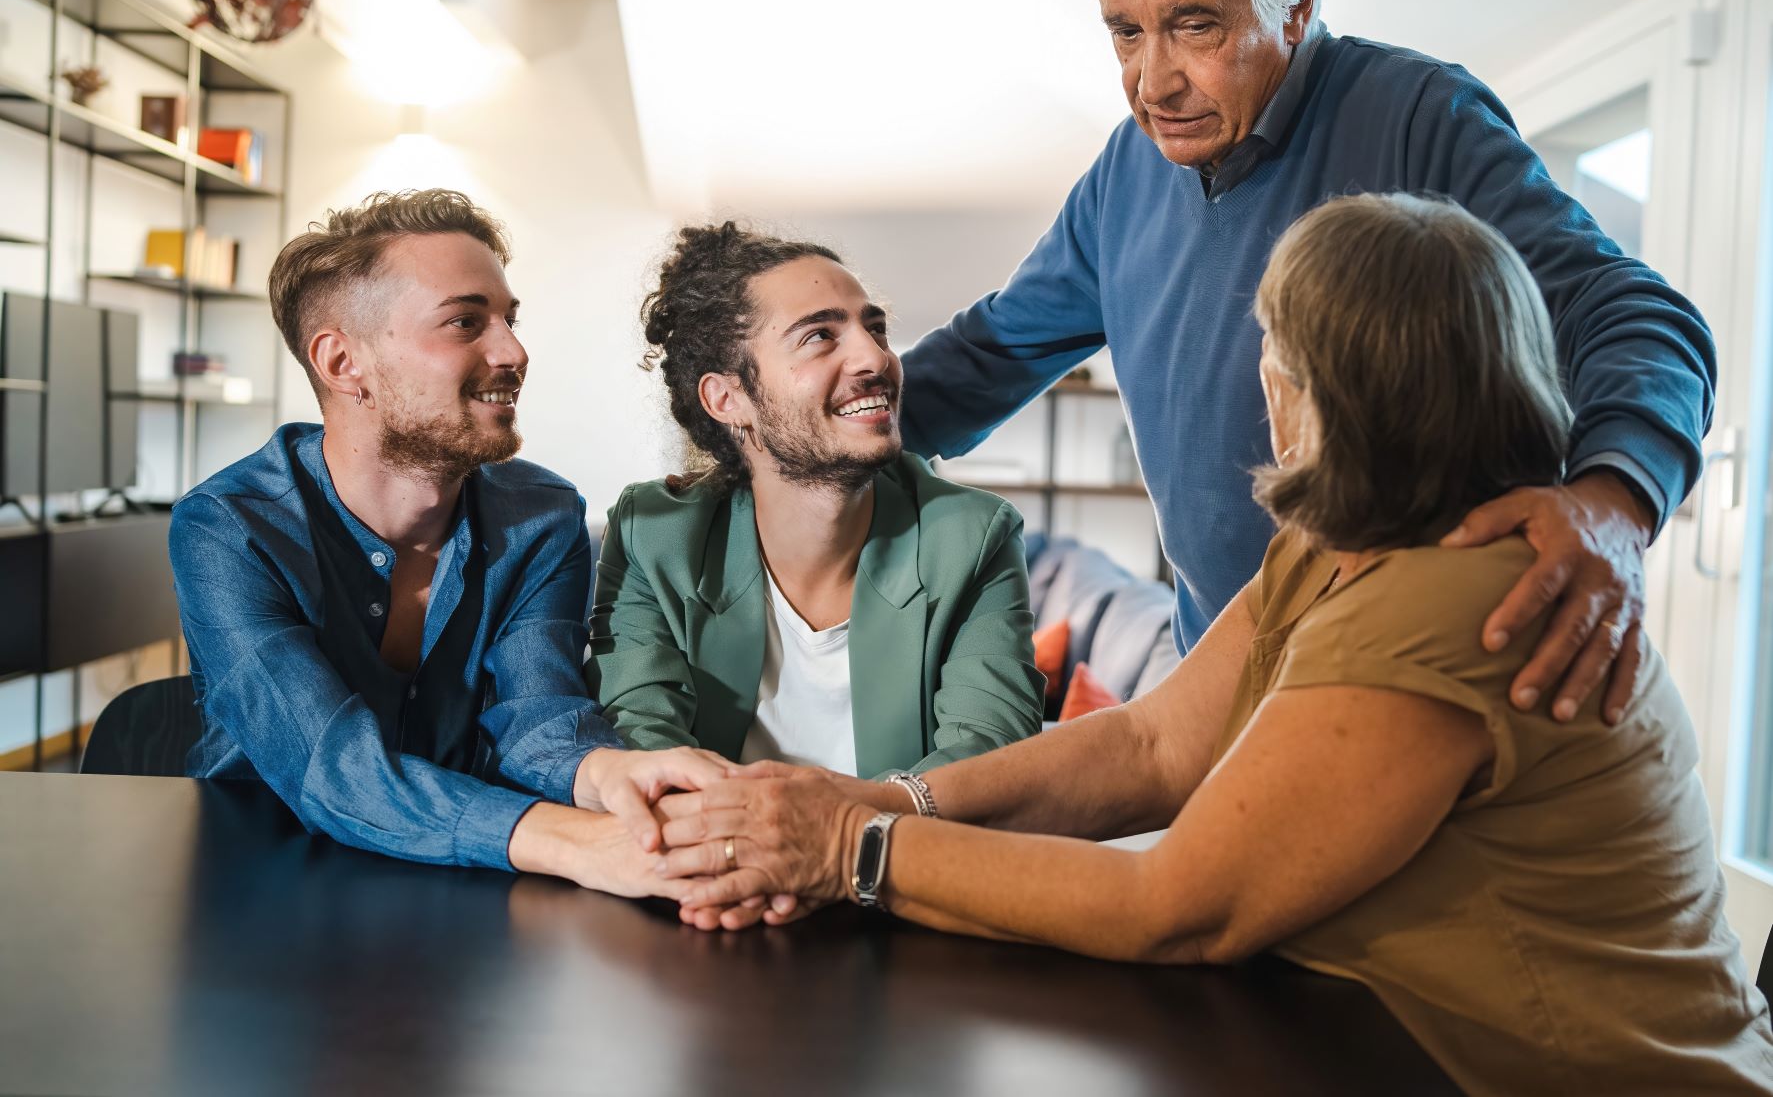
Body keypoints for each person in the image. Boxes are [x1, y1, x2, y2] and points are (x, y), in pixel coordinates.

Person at [651, 195, 1773, 1095]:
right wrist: (878, 802)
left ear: (1338, 385)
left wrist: (847, 845)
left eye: (1274, 345)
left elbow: (1184, 906)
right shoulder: (1330, 546)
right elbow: (1149, 748)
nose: (1260, 373)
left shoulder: (1459, 599)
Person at [898, 0, 1716, 725]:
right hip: (1221, 677)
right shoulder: (1124, 172)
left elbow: (1628, 311)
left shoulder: (1417, 116)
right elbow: (987, 353)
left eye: (1193, 25)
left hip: (1409, 681)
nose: (1152, 82)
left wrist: (1613, 502)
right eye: (1125, 32)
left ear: (1295, 4)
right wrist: (801, 442)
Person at [170, 188, 719, 896]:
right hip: (266, 874)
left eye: (509, 320)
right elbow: (328, 767)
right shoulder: (229, 526)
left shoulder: (543, 516)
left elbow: (537, 713)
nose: (514, 351)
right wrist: (575, 841)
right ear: (342, 364)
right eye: (465, 322)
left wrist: (615, 777)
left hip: (478, 881)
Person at [588, 223, 1043, 780]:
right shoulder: (653, 535)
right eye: (819, 336)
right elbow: (641, 743)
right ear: (727, 398)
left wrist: (818, 831)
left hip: (903, 860)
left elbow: (989, 762)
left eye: (875, 329)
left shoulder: (973, 536)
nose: (876, 358)